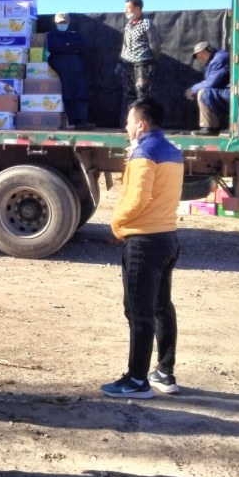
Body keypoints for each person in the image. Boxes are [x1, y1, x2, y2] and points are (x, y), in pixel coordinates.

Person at [101, 96, 184, 399]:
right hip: (167, 238)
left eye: (128, 121)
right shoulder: (173, 151)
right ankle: (164, 372)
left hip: (144, 242)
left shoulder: (144, 152)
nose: (125, 126)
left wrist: (116, 224)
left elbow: (137, 200)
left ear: (141, 124)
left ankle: (136, 381)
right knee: (161, 307)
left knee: (139, 313)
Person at [45, 12, 94, 128]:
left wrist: (67, 45)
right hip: (62, 65)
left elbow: (81, 46)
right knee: (69, 92)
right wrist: (71, 47)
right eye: (60, 22)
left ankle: (81, 120)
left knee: (80, 91)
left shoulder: (75, 34)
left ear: (68, 22)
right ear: (56, 23)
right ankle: (72, 120)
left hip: (76, 66)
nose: (62, 24)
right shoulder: (51, 35)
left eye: (64, 22)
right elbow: (54, 47)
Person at [119, 0, 161, 119]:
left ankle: (143, 122)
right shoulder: (128, 25)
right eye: (125, 8)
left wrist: (151, 62)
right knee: (128, 95)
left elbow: (155, 45)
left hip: (143, 64)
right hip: (127, 65)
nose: (126, 11)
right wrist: (121, 61)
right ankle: (129, 123)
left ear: (137, 9)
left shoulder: (147, 23)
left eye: (128, 8)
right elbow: (125, 45)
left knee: (142, 95)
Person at [185, 41, 230, 137]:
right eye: (197, 56)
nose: (199, 58)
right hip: (230, 92)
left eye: (201, 54)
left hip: (233, 94)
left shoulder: (219, 59)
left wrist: (193, 89)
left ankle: (209, 127)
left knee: (204, 93)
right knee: (207, 92)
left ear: (209, 50)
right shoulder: (215, 60)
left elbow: (211, 83)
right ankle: (216, 126)